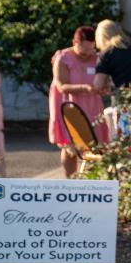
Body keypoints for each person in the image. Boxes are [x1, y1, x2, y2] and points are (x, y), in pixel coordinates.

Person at [48, 26, 109, 177]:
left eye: (91, 49)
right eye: (84, 49)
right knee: (71, 145)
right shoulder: (64, 58)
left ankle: (92, 179)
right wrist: (84, 88)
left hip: (92, 106)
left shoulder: (96, 58)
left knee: (94, 143)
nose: (88, 53)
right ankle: (71, 179)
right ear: (75, 43)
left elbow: (104, 81)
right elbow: (61, 86)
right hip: (70, 105)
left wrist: (104, 89)